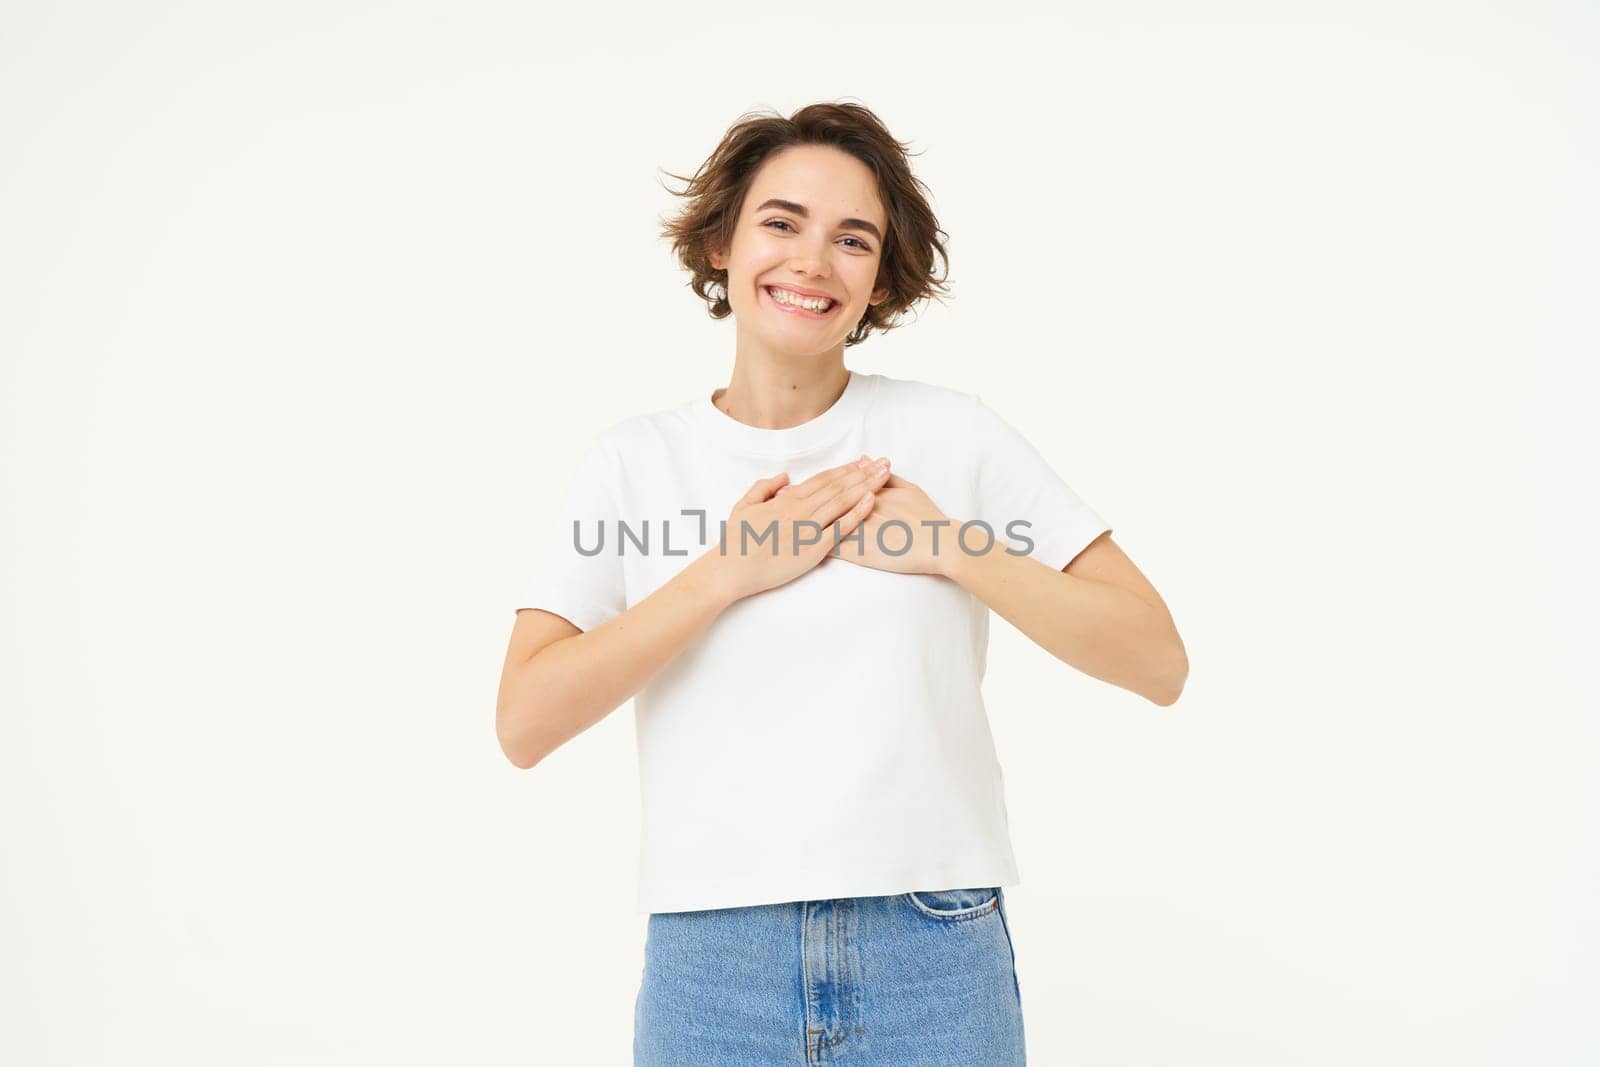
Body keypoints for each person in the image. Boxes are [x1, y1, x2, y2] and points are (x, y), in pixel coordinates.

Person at [496, 101, 1188, 1065]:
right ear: (718, 242)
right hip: (712, 962)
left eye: (852, 238)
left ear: (880, 277)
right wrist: (728, 571)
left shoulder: (955, 436)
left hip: (934, 949)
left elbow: (1157, 658)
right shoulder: (634, 462)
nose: (813, 262)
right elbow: (524, 720)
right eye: (781, 222)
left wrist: (951, 546)